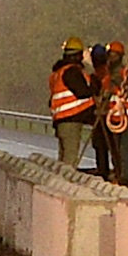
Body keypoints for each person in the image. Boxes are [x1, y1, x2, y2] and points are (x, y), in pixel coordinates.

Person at [91, 42, 128, 183]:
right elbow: (104, 97)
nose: (111, 58)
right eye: (109, 55)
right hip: (115, 119)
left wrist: (118, 87)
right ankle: (120, 174)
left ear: (119, 57)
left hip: (127, 117)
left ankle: (126, 177)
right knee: (116, 149)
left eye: (113, 55)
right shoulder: (108, 77)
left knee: (123, 149)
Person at [46, 37, 99, 171]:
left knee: (64, 158)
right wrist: (94, 84)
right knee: (70, 159)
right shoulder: (72, 71)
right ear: (78, 55)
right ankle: (64, 184)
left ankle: (59, 181)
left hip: (62, 120)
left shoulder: (58, 72)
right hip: (70, 119)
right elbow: (82, 92)